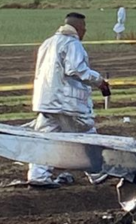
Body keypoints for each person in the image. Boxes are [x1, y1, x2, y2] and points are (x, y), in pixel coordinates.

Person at [27, 12, 111, 187]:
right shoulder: (72, 44)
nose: (85, 31)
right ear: (78, 28)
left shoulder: (47, 43)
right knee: (86, 136)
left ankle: (38, 176)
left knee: (44, 139)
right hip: (68, 103)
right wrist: (99, 81)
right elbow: (76, 70)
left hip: (46, 101)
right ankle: (97, 173)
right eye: (84, 28)